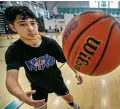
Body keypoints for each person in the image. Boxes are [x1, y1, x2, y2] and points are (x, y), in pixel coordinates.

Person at [4, 6, 83, 109]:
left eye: (32, 23)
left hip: (56, 81)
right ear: (13, 27)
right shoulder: (14, 51)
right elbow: (11, 79)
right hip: (37, 86)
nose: (31, 29)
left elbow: (65, 58)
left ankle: (72, 104)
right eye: (23, 24)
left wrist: (76, 71)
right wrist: (21, 95)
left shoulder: (50, 43)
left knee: (69, 98)